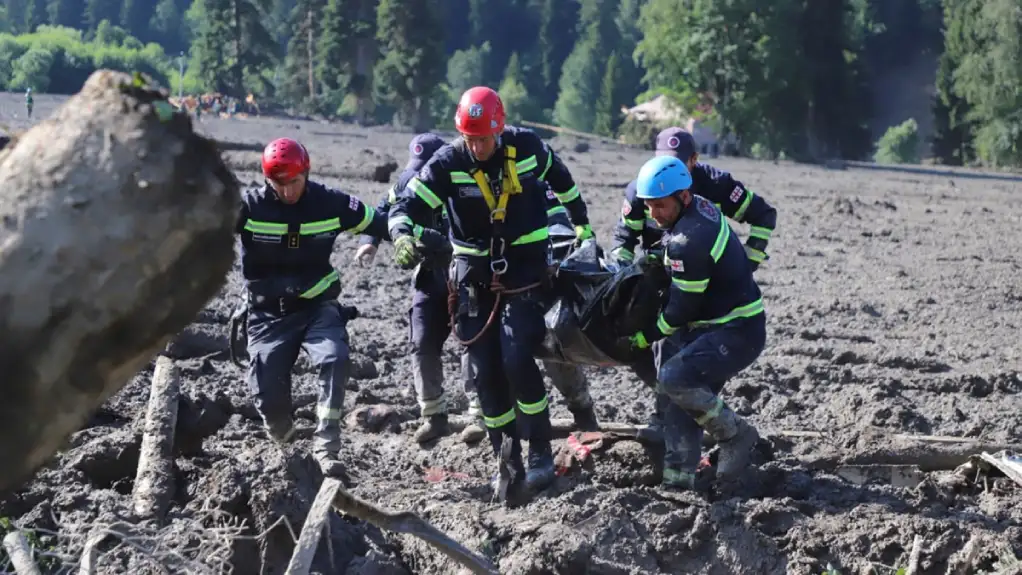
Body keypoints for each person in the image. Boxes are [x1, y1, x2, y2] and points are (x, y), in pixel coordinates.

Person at [388, 86, 595, 495]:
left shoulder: (528, 147)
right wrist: (400, 235)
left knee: (517, 356)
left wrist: (582, 223)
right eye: (470, 138)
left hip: (525, 270)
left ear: (499, 130)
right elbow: (406, 206)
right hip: (472, 275)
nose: (477, 146)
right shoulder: (447, 162)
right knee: (484, 372)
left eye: (483, 138)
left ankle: (539, 451)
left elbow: (564, 181)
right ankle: (506, 457)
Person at [236, 137, 389, 476]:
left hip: (317, 307)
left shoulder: (330, 203)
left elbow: (377, 221)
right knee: (269, 404)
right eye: (279, 184)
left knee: (334, 357)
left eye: (295, 181)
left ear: (306, 173)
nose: (288, 191)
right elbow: (200, 233)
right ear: (267, 180)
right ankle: (288, 444)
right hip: (267, 314)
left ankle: (326, 447)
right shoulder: (247, 208)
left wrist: (387, 240)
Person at [621, 155, 766, 490]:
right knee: (674, 395)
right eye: (648, 207)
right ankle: (678, 483)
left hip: (737, 329)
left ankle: (736, 435)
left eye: (660, 206)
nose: (653, 215)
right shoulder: (695, 209)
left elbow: (679, 311)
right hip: (712, 323)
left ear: (683, 197)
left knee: (674, 377)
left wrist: (644, 338)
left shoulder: (689, 241)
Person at [458, 180, 599, 444]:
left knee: (553, 344)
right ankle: (481, 414)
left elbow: (559, 229)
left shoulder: (532, 181)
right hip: (484, 279)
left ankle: (581, 409)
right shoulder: (468, 183)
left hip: (529, 279)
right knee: (478, 344)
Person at [355, 133, 453, 444]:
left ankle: (481, 415)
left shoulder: (460, 186)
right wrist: (369, 243)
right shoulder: (406, 183)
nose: (419, 174)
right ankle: (434, 415)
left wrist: (420, 233)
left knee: (471, 345)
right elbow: (382, 211)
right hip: (431, 275)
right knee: (421, 340)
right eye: (416, 166)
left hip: (465, 275)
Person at [609, 127, 777, 270]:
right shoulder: (640, 191)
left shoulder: (716, 184)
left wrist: (748, 263)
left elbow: (763, 215)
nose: (669, 171)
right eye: (663, 162)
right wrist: (621, 271)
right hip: (658, 270)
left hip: (708, 274)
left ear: (694, 159)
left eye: (677, 164)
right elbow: (624, 239)